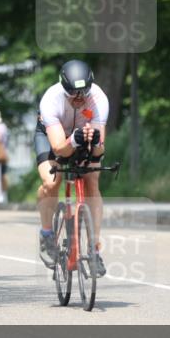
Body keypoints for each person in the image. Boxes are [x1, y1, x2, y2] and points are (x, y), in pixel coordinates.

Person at [34, 59, 109, 275]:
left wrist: (96, 141)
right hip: (52, 137)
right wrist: (74, 140)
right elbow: (60, 149)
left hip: (81, 136)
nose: (78, 98)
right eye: (72, 94)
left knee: (92, 180)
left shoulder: (99, 99)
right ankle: (47, 234)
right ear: (63, 88)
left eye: (83, 93)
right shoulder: (51, 99)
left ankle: (94, 250)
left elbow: (99, 152)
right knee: (51, 182)